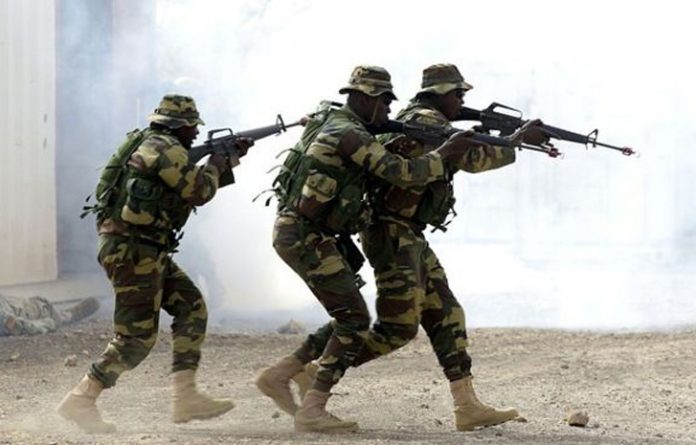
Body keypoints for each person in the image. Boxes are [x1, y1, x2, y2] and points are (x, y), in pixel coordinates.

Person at [259, 64, 547, 432]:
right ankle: (309, 382)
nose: (388, 110)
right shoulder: (377, 128)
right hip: (384, 233)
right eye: (458, 94)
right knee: (377, 324)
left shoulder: (366, 124)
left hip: (402, 232)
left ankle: (466, 404)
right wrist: (515, 140)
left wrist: (496, 136)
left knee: (445, 312)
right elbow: (415, 170)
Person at [56, 94, 252, 433]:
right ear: (180, 126)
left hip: (143, 249)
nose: (195, 134)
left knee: (192, 307)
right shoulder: (166, 149)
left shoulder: (150, 143)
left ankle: (185, 397)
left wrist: (225, 161)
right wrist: (217, 164)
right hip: (135, 252)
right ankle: (81, 398)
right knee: (135, 339)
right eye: (192, 128)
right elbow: (199, 192)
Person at [0, 294, 99, 336]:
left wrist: (49, 323)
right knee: (57, 317)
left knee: (58, 317)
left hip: (39, 308)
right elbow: (17, 324)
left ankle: (67, 315)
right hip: (33, 308)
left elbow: (16, 324)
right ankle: (66, 315)